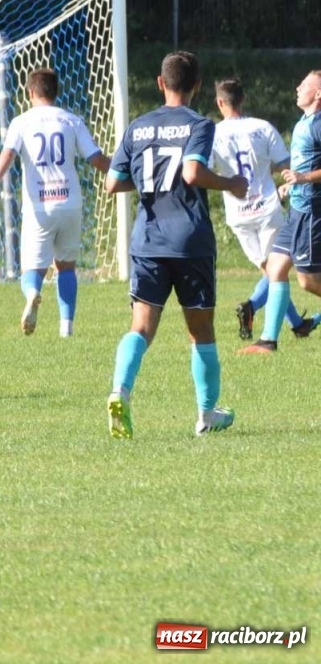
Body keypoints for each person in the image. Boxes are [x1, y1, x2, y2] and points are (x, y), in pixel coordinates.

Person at [103, 51, 247, 438]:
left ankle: (120, 391)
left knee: (141, 327)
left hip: (147, 239)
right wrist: (231, 183)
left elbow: (113, 183)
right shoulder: (199, 123)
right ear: (198, 86)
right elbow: (192, 172)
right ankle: (206, 414)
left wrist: (152, 181)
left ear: (160, 82)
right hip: (189, 240)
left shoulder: (138, 126)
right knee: (201, 332)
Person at [0, 68, 109, 337]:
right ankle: (66, 329)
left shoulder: (21, 122)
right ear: (56, 92)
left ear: (30, 92)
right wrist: (124, 171)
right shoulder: (72, 121)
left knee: (32, 269)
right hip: (70, 203)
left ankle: (33, 292)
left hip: (39, 206)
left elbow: (7, 156)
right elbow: (96, 159)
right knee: (66, 266)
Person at [210, 77, 314, 342]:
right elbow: (285, 165)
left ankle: (296, 324)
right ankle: (253, 307)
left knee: (272, 271)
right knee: (276, 272)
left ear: (219, 102)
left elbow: (206, 170)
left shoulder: (212, 134)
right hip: (267, 209)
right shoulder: (262, 127)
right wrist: (288, 184)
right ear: (242, 99)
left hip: (238, 215)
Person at [239, 70, 321, 355]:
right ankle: (267, 341)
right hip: (297, 207)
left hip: (312, 211)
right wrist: (291, 186)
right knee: (275, 268)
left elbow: (309, 172)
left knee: (308, 281)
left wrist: (304, 179)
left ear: (319, 94)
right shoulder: (304, 122)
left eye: (305, 85)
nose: (298, 87)